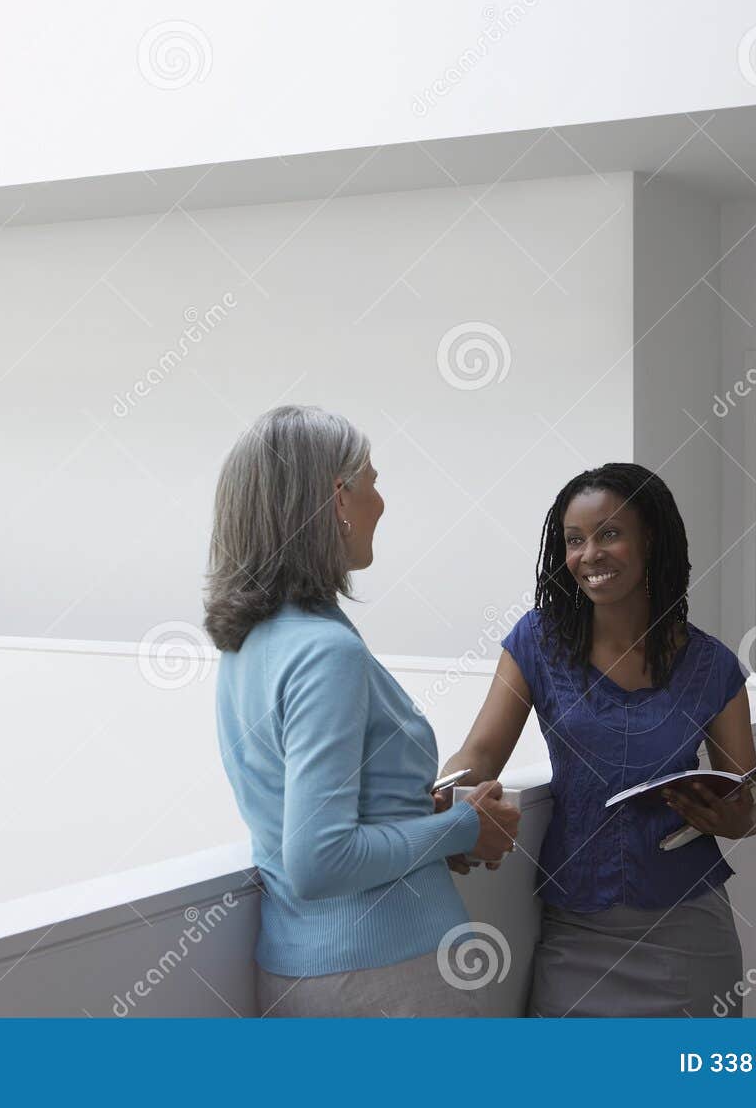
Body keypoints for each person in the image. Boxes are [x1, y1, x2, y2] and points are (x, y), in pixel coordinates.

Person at [205, 405, 520, 1017]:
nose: (382, 502)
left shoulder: (252, 643)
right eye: (372, 481)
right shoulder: (326, 651)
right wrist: (462, 828)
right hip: (387, 980)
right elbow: (319, 861)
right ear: (339, 500)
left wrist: (413, 813)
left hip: (307, 971)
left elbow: (312, 820)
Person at [440, 463, 756, 1017]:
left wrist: (739, 818)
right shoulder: (537, 642)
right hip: (576, 927)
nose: (590, 554)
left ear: (652, 540)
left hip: (688, 933)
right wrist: (444, 796)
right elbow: (478, 755)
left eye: (610, 533)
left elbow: (751, 800)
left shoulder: (712, 665)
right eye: (574, 540)